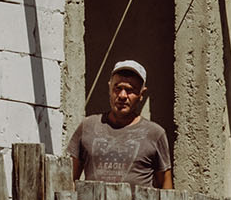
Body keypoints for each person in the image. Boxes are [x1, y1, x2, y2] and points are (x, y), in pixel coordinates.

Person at [70, 60, 173, 189]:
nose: (122, 95)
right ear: (109, 87)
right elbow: (70, 180)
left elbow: (166, 187)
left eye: (130, 90)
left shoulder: (155, 134)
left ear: (142, 94)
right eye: (118, 88)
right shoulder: (87, 126)